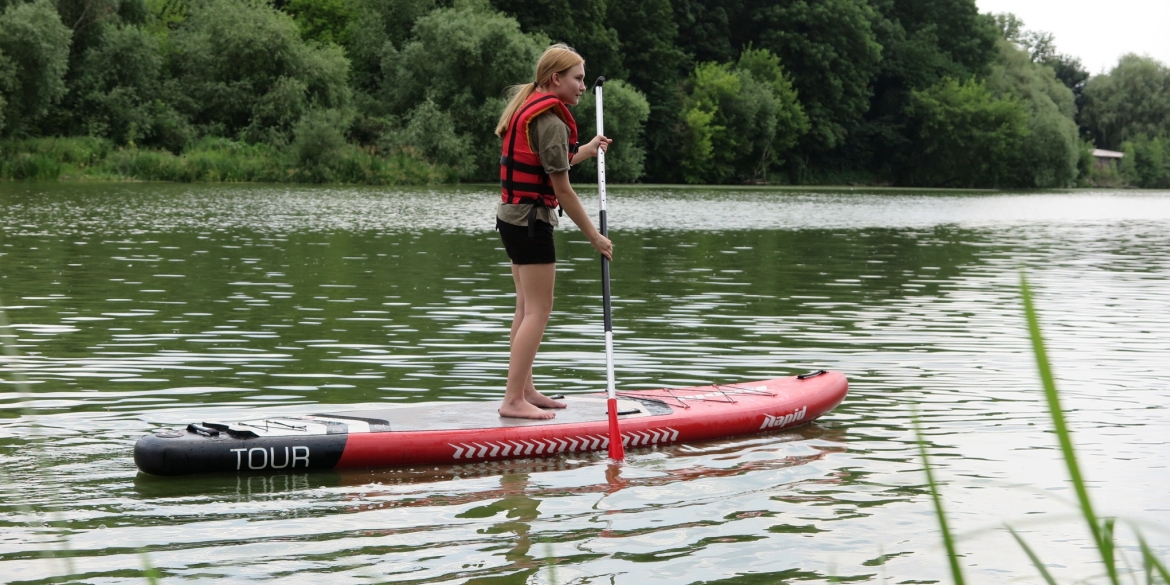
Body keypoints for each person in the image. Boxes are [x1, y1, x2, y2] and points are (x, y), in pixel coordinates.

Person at [494, 43, 613, 419]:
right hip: (530, 223)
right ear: (555, 78)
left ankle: (524, 390)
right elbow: (563, 189)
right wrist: (594, 236)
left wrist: (588, 150)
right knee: (539, 310)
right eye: (577, 79)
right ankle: (513, 400)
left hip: (513, 218)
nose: (581, 86)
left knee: (526, 307)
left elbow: (554, 164)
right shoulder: (550, 120)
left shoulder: (536, 109)